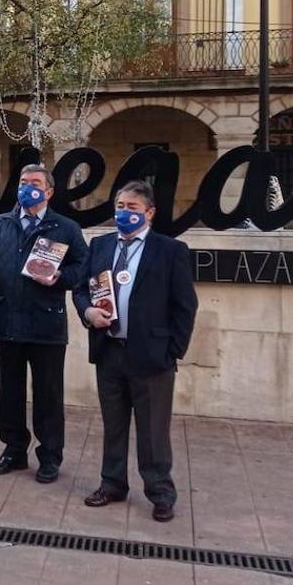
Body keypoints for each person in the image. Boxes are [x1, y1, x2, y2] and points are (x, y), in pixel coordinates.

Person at [73, 181, 198, 522]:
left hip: (152, 356)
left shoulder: (170, 250)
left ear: (150, 213)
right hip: (109, 350)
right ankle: (112, 483)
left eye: (131, 207)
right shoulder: (100, 245)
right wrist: (87, 312)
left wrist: (172, 351)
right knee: (113, 425)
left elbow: (185, 307)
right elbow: (81, 288)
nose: (124, 213)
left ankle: (160, 491)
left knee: (153, 430)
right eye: (120, 206)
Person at [0, 164, 87, 484]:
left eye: (35, 183)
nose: (28, 188)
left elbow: (83, 268)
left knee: (48, 393)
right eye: (23, 182)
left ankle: (49, 455)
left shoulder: (65, 228)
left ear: (49, 191)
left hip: (47, 324)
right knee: (9, 391)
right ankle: (13, 450)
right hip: (8, 319)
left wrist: (60, 277)